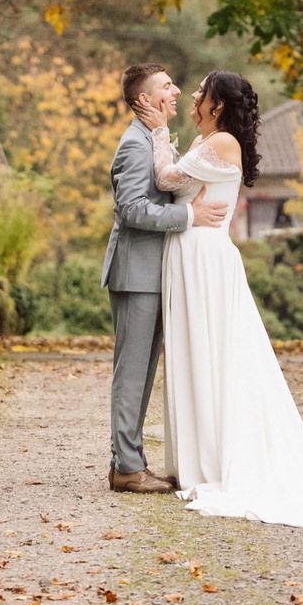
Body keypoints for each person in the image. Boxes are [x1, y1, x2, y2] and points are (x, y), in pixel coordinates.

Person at [141, 70, 303, 535]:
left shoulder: (223, 143)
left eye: (202, 90)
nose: (193, 94)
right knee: (194, 352)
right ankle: (196, 457)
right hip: (190, 255)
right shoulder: (204, 140)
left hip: (206, 260)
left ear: (219, 103)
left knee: (215, 354)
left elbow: (168, 179)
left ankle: (214, 460)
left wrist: (156, 131)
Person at [101, 63, 227, 494]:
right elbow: (133, 209)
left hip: (154, 274)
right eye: (167, 86)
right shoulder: (134, 146)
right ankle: (128, 468)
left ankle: (130, 462)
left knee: (144, 371)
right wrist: (190, 215)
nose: (176, 92)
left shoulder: (149, 139)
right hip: (137, 274)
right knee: (132, 374)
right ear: (145, 99)